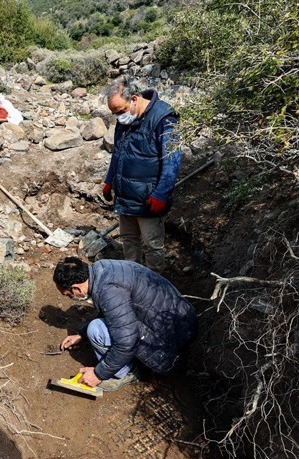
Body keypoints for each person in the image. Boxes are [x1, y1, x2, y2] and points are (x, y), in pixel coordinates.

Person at [53, 256, 197, 392]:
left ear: (77, 288)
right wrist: (81, 335)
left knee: (96, 330)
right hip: (182, 320)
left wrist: (98, 374)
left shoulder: (108, 291)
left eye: (68, 294)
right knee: (100, 328)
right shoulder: (101, 269)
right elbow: (114, 311)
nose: (70, 298)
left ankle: (129, 372)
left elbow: (127, 342)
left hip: (172, 340)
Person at [102, 77, 182, 274]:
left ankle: (154, 284)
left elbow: (172, 160)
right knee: (129, 241)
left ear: (135, 99)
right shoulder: (125, 118)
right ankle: (133, 278)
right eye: (114, 113)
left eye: (120, 111)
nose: (119, 117)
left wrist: (161, 193)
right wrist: (109, 179)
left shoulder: (164, 118)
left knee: (152, 245)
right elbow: (118, 152)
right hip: (126, 197)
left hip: (148, 199)